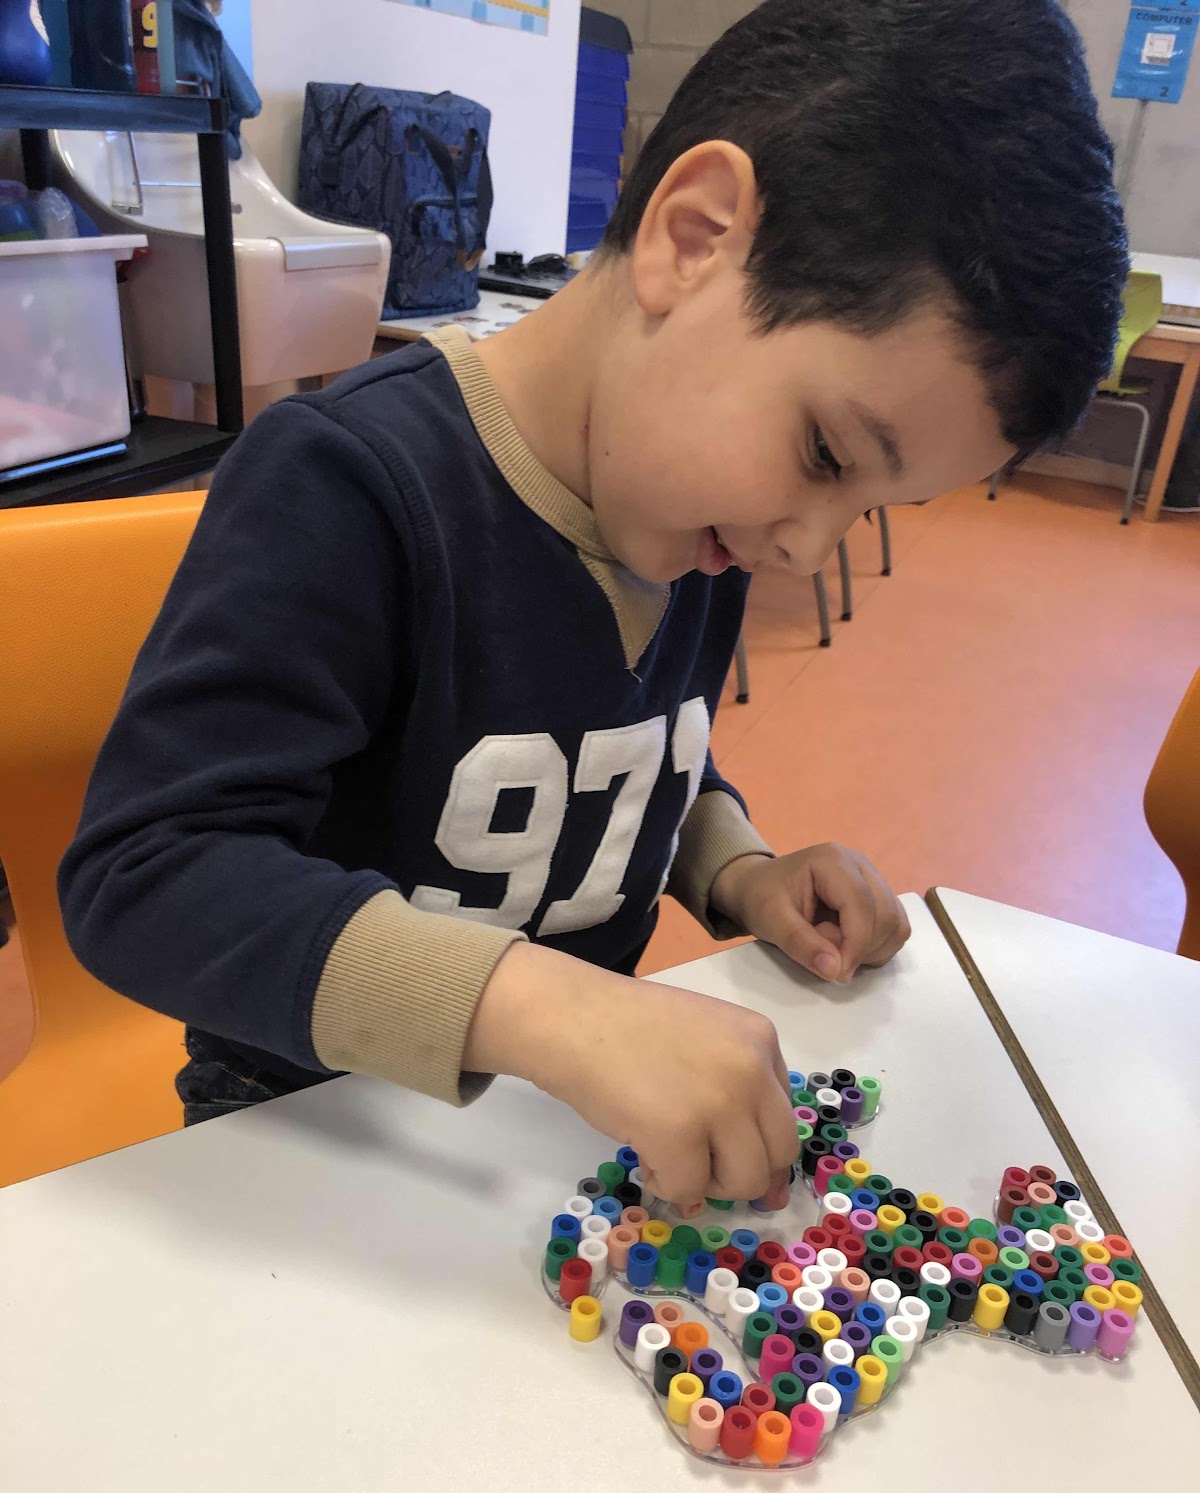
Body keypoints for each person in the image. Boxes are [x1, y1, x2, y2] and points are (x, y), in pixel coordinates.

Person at [59, 0, 1126, 1207]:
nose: (806, 543)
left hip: (552, 1135)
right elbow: (147, 873)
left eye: (872, 508)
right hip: (312, 1132)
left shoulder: (697, 512)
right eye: (827, 454)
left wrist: (737, 868)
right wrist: (547, 1008)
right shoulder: (349, 486)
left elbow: (627, 757)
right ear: (694, 236)